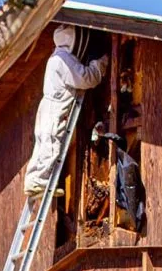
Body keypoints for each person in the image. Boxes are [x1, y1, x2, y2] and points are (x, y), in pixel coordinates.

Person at [24, 24, 109, 197]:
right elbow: (85, 78)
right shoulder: (62, 59)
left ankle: (34, 179)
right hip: (55, 107)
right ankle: (38, 181)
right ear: (75, 41)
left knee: (44, 143)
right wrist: (100, 64)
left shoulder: (56, 57)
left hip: (48, 106)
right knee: (52, 143)